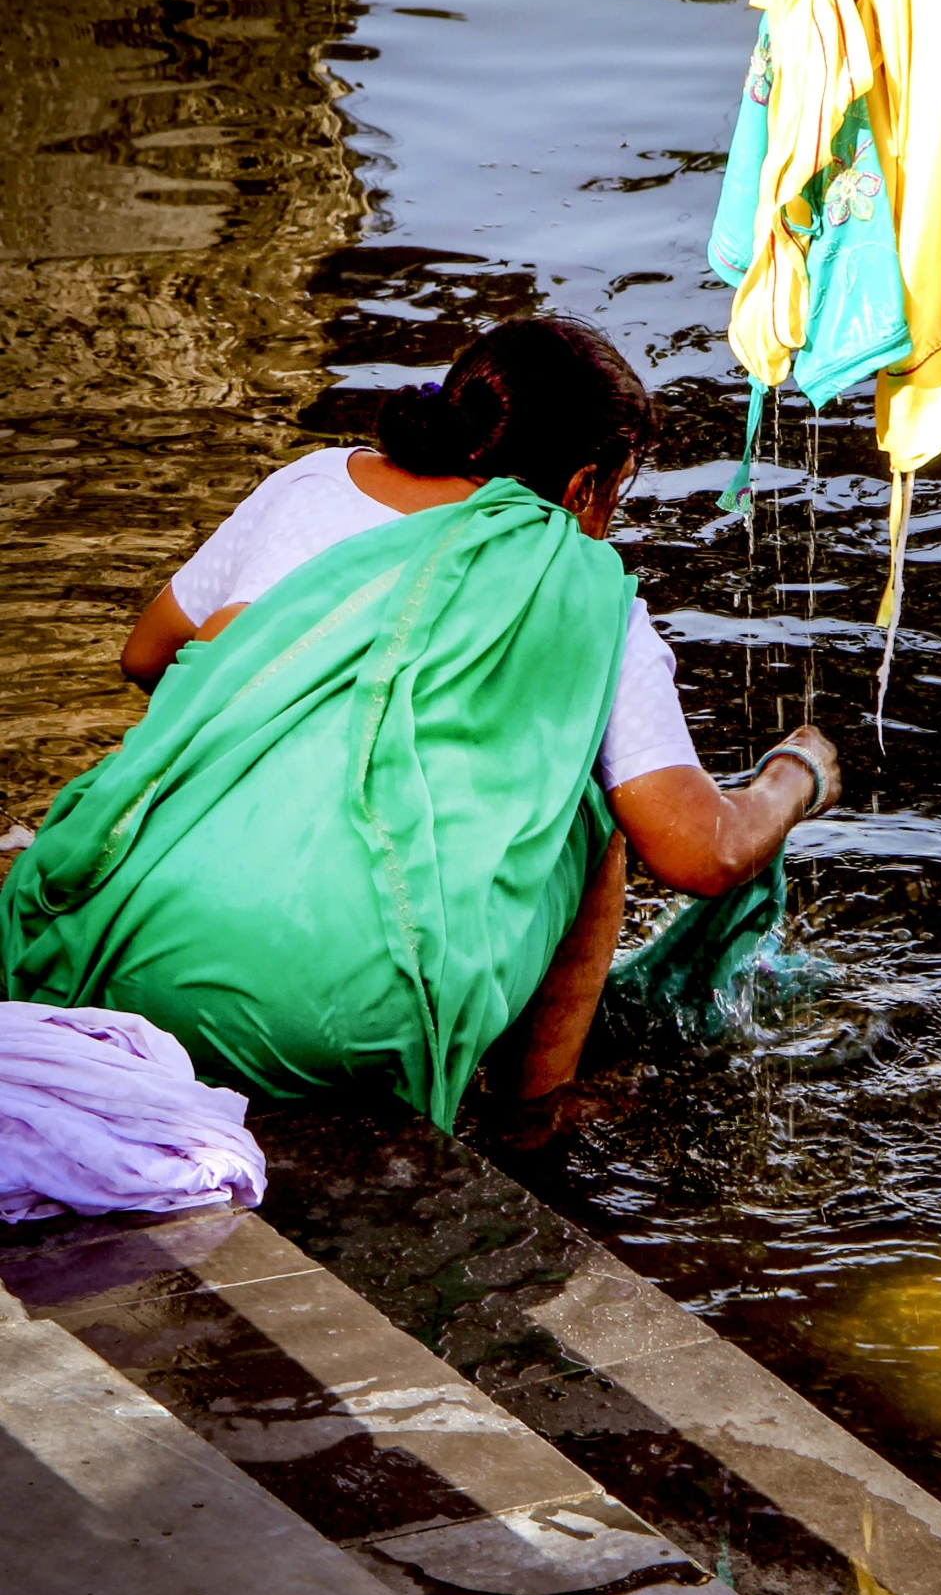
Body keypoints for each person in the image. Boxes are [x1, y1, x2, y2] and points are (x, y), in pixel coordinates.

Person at [0, 316, 839, 1133]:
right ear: (586, 486)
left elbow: (146, 657)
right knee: (591, 811)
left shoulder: (313, 482)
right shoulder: (589, 594)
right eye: (617, 491)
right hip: (333, 1024)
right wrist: (792, 777)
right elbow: (702, 853)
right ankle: (532, 1112)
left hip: (96, 954)